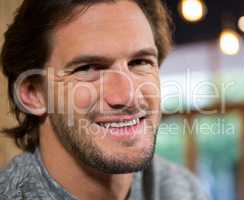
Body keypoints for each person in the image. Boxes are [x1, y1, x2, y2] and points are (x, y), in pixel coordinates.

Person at [0, 0, 209, 199]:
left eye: (140, 62)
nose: (128, 96)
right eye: (88, 68)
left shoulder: (184, 190)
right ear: (33, 94)